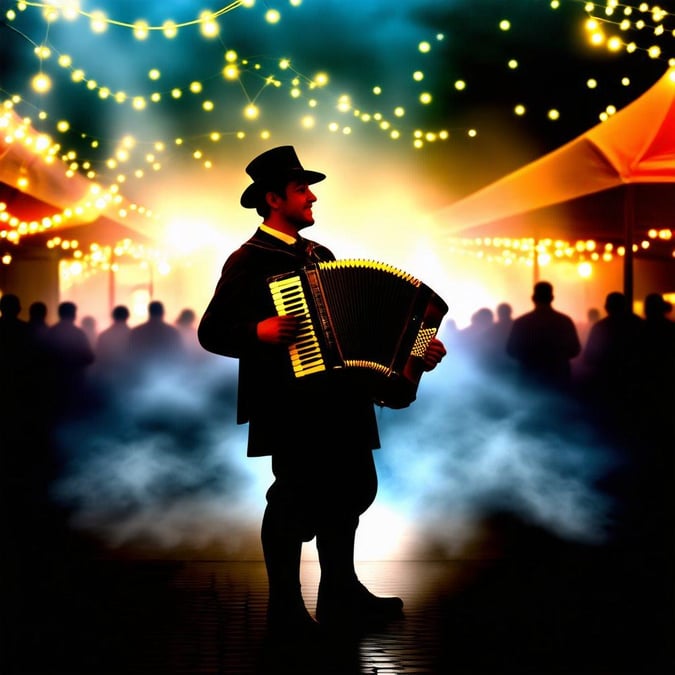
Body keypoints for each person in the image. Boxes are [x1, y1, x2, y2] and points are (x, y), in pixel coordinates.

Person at [198, 145, 446, 638]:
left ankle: (340, 592)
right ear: (273, 199)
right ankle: (285, 610)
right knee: (292, 500)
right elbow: (211, 331)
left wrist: (413, 353)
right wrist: (258, 333)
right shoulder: (248, 260)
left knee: (352, 491)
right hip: (290, 407)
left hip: (341, 403)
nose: (312, 198)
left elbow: (358, 330)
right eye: (301, 190)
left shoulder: (321, 256)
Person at [506, 281, 581, 391]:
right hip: (557, 379)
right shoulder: (564, 321)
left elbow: (510, 350)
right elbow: (575, 350)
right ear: (552, 298)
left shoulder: (521, 322)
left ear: (533, 298)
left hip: (529, 379)